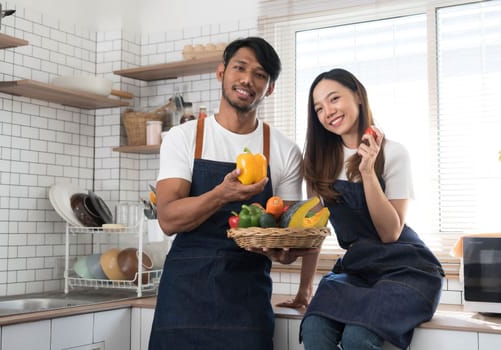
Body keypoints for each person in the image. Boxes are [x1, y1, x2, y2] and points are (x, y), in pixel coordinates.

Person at [148, 36, 314, 350]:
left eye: (260, 75)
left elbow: (289, 234)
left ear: (270, 88)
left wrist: (284, 252)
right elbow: (168, 219)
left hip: (246, 300)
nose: (247, 79)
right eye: (240, 67)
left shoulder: (284, 151)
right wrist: (221, 194)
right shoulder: (184, 138)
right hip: (184, 294)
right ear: (221, 72)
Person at [298, 68, 445, 350]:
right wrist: (304, 289)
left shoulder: (393, 153)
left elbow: (390, 233)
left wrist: (367, 171)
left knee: (358, 337)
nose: (327, 111)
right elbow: (313, 231)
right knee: (314, 328)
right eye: (319, 108)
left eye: (334, 99)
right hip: (358, 269)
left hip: (406, 268)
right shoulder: (318, 162)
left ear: (357, 95)